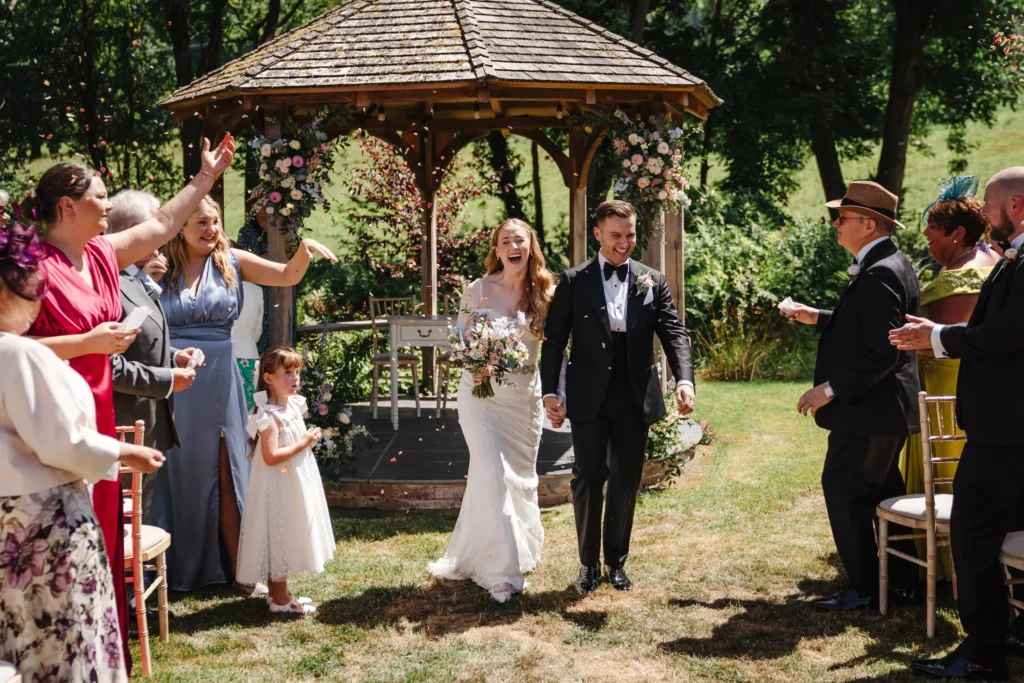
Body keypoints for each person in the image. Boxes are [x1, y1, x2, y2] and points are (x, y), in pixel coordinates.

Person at [19, 135, 235, 671]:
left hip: (100, 414)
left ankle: (102, 657)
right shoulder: (31, 266)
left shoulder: (99, 253)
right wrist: (87, 344)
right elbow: (9, 347)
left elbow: (161, 223)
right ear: (67, 207)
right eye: (99, 197)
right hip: (48, 420)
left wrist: (205, 177)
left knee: (106, 539)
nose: (109, 206)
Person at [0, 222, 165, 683]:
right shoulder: (21, 355)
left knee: (22, 636)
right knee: (67, 635)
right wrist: (123, 451)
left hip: (8, 520)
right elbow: (59, 441)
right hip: (45, 520)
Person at [150, 196, 337, 595]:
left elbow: (287, 275)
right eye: (201, 222)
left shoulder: (231, 261)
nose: (211, 229)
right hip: (177, 377)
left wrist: (303, 250)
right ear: (180, 227)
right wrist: (147, 279)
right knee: (178, 474)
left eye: (215, 221)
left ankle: (240, 570)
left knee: (229, 472)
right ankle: (179, 567)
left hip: (221, 378)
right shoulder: (159, 265)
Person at [891, 167, 1024, 681]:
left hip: (1004, 429)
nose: (984, 215)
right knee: (1009, 528)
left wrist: (938, 338)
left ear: (1015, 206)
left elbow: (1004, 335)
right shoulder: (1011, 258)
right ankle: (1013, 631)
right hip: (1007, 425)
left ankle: (984, 652)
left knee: (972, 533)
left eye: (989, 205)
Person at [541, 200, 694, 596]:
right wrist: (550, 392)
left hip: (634, 396)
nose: (624, 243)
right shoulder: (573, 281)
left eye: (630, 235)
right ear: (597, 234)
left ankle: (616, 562)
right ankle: (588, 564)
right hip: (589, 395)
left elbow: (674, 333)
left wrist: (684, 380)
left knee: (625, 482)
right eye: (616, 235)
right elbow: (554, 342)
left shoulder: (652, 279)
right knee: (589, 477)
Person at [781, 181, 921, 612]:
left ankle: (864, 588)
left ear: (869, 224)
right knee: (883, 493)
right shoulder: (889, 262)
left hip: (870, 410)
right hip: (884, 409)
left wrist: (828, 389)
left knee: (844, 489)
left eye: (842, 217)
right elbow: (868, 328)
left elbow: (882, 351)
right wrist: (816, 317)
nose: (835, 224)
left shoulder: (880, 272)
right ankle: (902, 585)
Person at [428, 218, 553, 603]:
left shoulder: (546, 292)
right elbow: (461, 342)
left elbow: (559, 347)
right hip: (481, 396)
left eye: (520, 240)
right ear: (497, 250)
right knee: (493, 473)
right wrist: (480, 360)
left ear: (530, 246)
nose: (514, 247)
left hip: (524, 400)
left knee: (518, 478)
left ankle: (511, 548)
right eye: (506, 241)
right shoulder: (478, 290)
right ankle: (502, 574)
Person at [898, 176, 997, 581]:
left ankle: (951, 565)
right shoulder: (991, 260)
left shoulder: (960, 278)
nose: (925, 235)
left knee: (950, 469)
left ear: (957, 234)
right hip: (979, 386)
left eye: (933, 228)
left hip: (947, 390)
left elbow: (934, 340)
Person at [108, 189, 197, 522]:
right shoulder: (110, 281)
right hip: (122, 422)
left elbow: (141, 339)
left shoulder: (134, 277)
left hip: (147, 421)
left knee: (138, 520)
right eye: (155, 229)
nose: (162, 239)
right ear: (135, 232)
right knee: (123, 523)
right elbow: (108, 362)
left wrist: (173, 356)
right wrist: (167, 379)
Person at [236, 346, 334, 614]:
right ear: (268, 378)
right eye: (288, 373)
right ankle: (280, 601)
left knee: (289, 529)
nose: (295, 378)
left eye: (297, 372)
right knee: (278, 533)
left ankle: (281, 593)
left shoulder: (293, 405)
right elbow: (270, 457)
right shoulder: (268, 416)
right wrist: (305, 442)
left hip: (293, 482)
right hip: (277, 486)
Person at [232, 278, 265, 411]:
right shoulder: (257, 290)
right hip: (250, 354)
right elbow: (258, 331)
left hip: (223, 355)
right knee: (251, 412)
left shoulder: (213, 286)